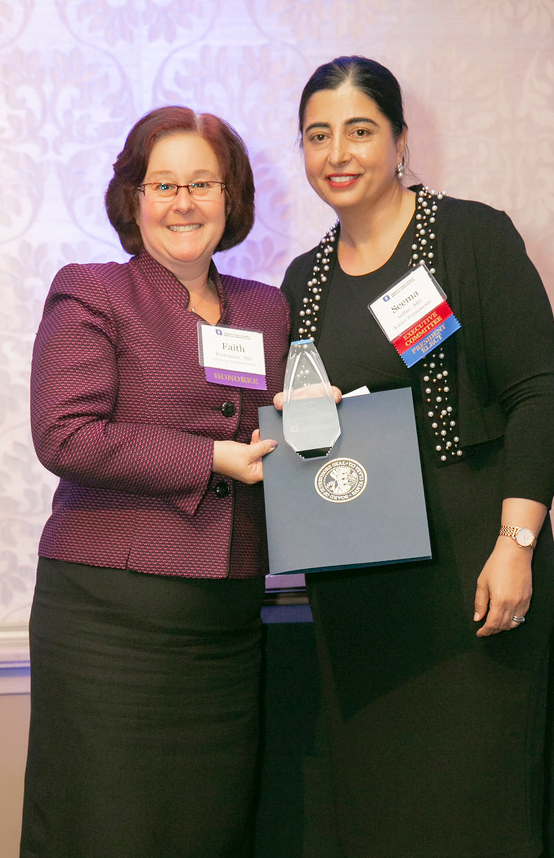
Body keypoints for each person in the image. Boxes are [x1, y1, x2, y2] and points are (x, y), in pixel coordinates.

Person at [278, 56, 554, 858]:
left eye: (360, 130)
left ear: (400, 139)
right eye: (318, 134)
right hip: (362, 599)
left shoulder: (471, 236)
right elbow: (309, 439)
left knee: (473, 814)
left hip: (475, 579)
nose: (338, 152)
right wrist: (309, 420)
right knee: (377, 819)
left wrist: (517, 548)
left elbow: (537, 394)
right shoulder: (304, 279)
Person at [22, 105, 290, 858]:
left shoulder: (267, 309)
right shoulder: (93, 292)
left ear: (230, 198)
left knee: (212, 831)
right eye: (163, 183)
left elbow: (275, 427)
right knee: (106, 829)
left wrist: (309, 415)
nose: (183, 202)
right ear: (132, 199)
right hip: (110, 620)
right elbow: (65, 434)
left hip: (226, 624)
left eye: (202, 183)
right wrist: (210, 458)